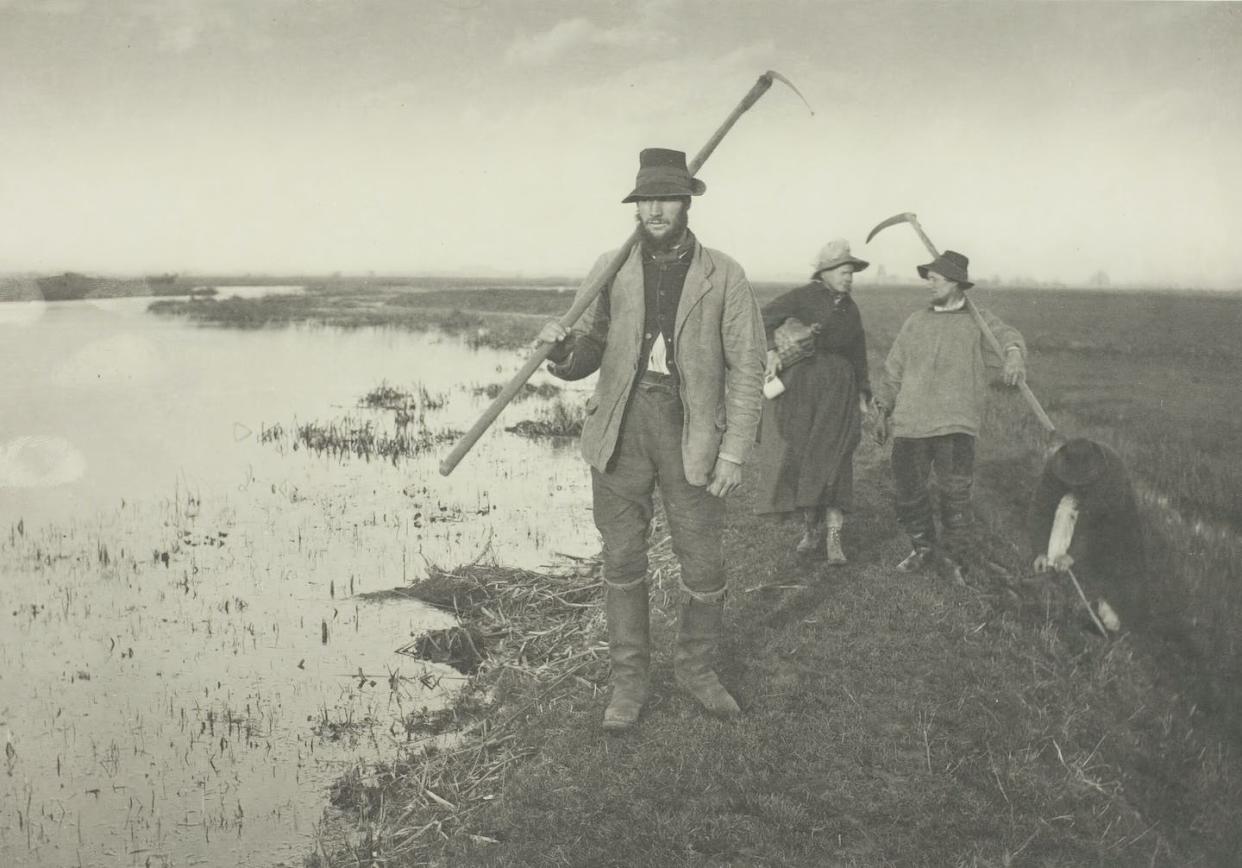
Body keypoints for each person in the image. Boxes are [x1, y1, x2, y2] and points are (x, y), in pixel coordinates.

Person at [536, 147, 766, 731]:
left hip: (692, 432)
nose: (655, 209)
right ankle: (629, 685)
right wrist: (561, 351)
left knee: (705, 563)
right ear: (636, 206)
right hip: (621, 429)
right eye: (645, 200)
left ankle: (698, 671)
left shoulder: (725, 274)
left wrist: (734, 450)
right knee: (621, 555)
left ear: (687, 202)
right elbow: (587, 348)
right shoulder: (611, 268)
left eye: (666, 198)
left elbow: (747, 367)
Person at [872, 250, 1027, 579]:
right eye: (928, 278)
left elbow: (1007, 338)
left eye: (935, 278)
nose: (929, 283)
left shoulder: (978, 321)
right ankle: (923, 548)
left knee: (955, 495)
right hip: (911, 424)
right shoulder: (915, 322)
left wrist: (1013, 356)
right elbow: (893, 370)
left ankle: (955, 558)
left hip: (956, 423)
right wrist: (883, 408)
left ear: (956, 283)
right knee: (908, 492)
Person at [753, 239, 872, 565]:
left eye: (851, 273)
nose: (849, 279)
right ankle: (811, 529)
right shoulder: (804, 296)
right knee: (805, 456)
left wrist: (863, 392)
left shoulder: (850, 308)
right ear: (827, 272)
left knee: (835, 458)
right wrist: (772, 350)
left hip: (839, 389)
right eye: (844, 272)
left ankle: (835, 539)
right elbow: (763, 317)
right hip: (803, 389)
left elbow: (858, 351)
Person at [1029, 437, 1143, 630]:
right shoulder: (1056, 465)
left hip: (1115, 517)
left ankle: (1112, 611)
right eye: (1070, 479)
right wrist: (1040, 550)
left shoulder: (1112, 476)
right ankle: (1051, 571)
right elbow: (1040, 507)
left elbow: (1099, 526)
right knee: (1066, 508)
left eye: (1079, 481)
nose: (1075, 484)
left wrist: (1073, 554)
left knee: (1116, 557)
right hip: (1086, 506)